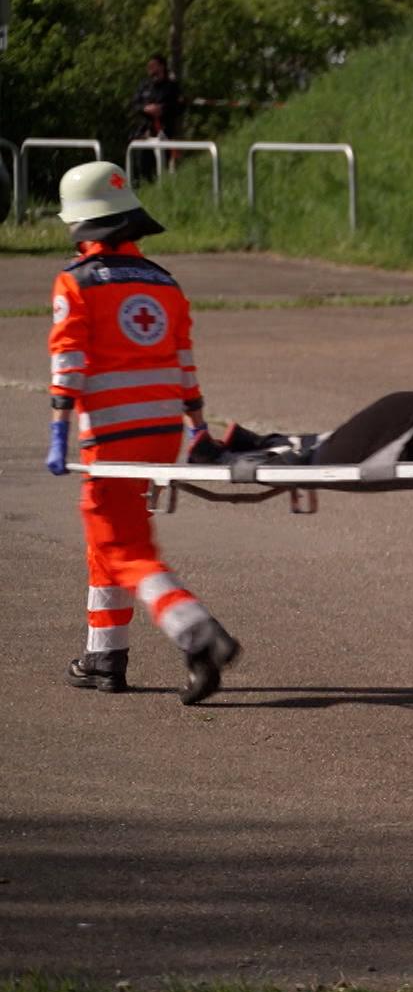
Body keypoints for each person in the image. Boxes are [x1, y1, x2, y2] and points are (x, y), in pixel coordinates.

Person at [44, 161, 241, 703]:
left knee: (125, 547)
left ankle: (197, 632)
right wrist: (198, 429)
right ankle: (104, 655)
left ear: (82, 228)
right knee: (108, 540)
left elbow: (70, 361)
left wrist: (59, 427)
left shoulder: (76, 282)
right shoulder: (164, 281)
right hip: (162, 437)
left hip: (111, 439)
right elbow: (184, 365)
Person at [189, 372, 413, 465]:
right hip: (406, 420)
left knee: (327, 448)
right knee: (322, 460)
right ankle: (227, 455)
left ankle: (253, 443)